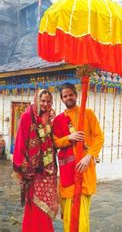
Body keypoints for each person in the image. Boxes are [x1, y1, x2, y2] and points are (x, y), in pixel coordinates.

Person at [53, 82, 104, 231]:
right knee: (69, 216)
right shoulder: (58, 120)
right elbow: (55, 143)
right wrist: (70, 137)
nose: (68, 97)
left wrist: (89, 156)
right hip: (67, 172)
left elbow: (99, 137)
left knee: (81, 217)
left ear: (76, 95)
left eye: (70, 94)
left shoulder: (88, 114)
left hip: (85, 170)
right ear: (62, 99)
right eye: (65, 96)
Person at [12, 89, 59, 232]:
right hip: (33, 171)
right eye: (43, 101)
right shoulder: (27, 116)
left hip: (48, 170)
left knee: (45, 204)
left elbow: (52, 142)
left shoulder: (49, 118)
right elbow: (20, 141)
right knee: (35, 204)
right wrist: (24, 167)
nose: (45, 104)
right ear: (37, 100)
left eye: (48, 101)